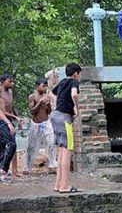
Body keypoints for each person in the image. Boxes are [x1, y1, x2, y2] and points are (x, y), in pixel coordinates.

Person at [49, 63, 82, 193]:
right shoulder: (74, 82)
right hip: (65, 118)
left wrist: (59, 102)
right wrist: (77, 108)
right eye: (79, 74)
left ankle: (58, 184)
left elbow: (51, 94)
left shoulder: (62, 82)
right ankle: (65, 186)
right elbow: (74, 94)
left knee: (62, 151)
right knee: (68, 151)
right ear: (75, 74)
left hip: (55, 116)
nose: (79, 77)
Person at [24, 78, 56, 174]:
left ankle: (53, 165)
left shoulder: (46, 96)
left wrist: (48, 104)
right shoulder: (32, 96)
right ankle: (26, 167)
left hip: (46, 123)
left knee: (51, 144)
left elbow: (49, 111)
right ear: (37, 86)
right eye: (43, 86)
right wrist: (40, 102)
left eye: (46, 86)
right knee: (31, 146)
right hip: (35, 123)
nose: (45, 88)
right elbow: (32, 111)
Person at [0, 74, 22, 177]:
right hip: (2, 121)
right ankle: (3, 170)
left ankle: (11, 171)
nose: (12, 83)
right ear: (3, 81)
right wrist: (13, 119)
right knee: (10, 144)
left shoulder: (10, 92)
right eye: (10, 81)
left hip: (9, 120)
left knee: (10, 145)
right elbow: (2, 111)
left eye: (12, 81)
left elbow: (11, 107)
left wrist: (17, 118)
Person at [0, 95, 17, 184]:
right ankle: (3, 170)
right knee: (12, 144)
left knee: (2, 147)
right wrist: (9, 123)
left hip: (2, 122)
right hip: (2, 123)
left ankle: (2, 171)